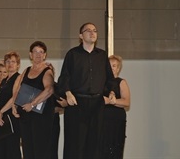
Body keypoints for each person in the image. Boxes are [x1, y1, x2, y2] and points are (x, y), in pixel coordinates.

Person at [58, 22, 114, 159]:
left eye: (94, 30)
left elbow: (110, 78)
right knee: (75, 144)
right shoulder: (72, 54)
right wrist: (68, 93)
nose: (92, 33)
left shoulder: (102, 55)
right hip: (77, 103)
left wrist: (111, 93)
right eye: (88, 30)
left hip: (97, 104)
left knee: (95, 144)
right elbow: (64, 77)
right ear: (80, 35)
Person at [12, 41, 55, 159]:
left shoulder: (47, 71)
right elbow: (18, 88)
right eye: (35, 51)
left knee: (40, 150)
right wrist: (14, 105)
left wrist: (32, 104)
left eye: (41, 52)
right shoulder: (26, 70)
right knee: (27, 149)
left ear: (45, 55)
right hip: (26, 116)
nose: (38, 54)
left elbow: (49, 90)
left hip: (41, 118)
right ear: (30, 55)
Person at [101, 55, 131, 159]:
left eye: (114, 65)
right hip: (102, 120)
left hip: (116, 121)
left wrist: (112, 101)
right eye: (109, 65)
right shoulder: (100, 83)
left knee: (115, 148)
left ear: (118, 68)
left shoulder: (121, 82)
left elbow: (126, 101)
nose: (111, 68)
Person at [0, 51, 22, 159]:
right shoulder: (4, 80)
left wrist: (1, 112)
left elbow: (14, 97)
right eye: (8, 61)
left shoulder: (18, 78)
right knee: (2, 149)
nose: (10, 64)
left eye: (13, 62)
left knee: (12, 149)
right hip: (1, 118)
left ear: (18, 65)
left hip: (11, 117)